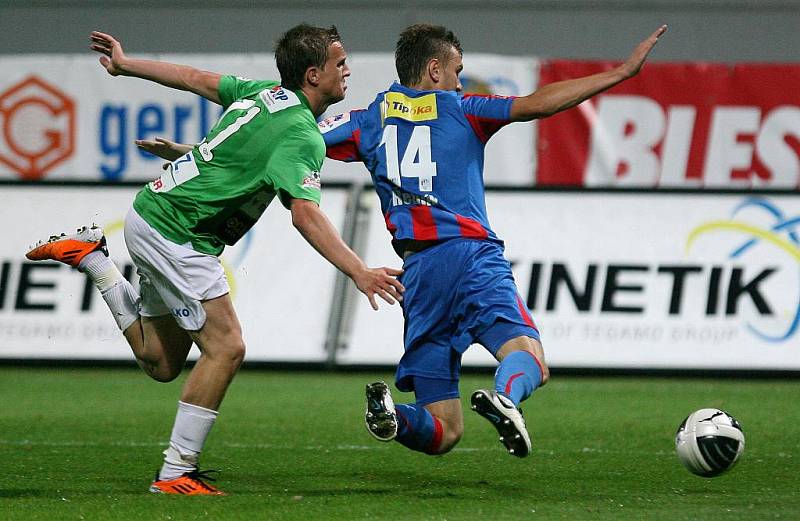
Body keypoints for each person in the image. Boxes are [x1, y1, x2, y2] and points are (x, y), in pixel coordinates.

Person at [26, 24, 404, 495]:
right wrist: (360, 271)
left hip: (153, 214)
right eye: (339, 62)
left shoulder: (262, 95)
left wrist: (126, 67)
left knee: (160, 362)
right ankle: (175, 473)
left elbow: (191, 78)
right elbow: (305, 216)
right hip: (178, 235)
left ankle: (95, 261)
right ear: (313, 74)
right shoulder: (302, 135)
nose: (347, 69)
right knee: (226, 348)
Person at [320, 23, 667, 457]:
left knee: (443, 431)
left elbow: (303, 141)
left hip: (420, 275)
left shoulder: (365, 120)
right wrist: (619, 73)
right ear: (433, 70)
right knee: (530, 359)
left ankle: (395, 415)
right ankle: (506, 397)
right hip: (470, 258)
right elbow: (538, 104)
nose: (459, 80)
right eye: (456, 70)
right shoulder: (463, 108)